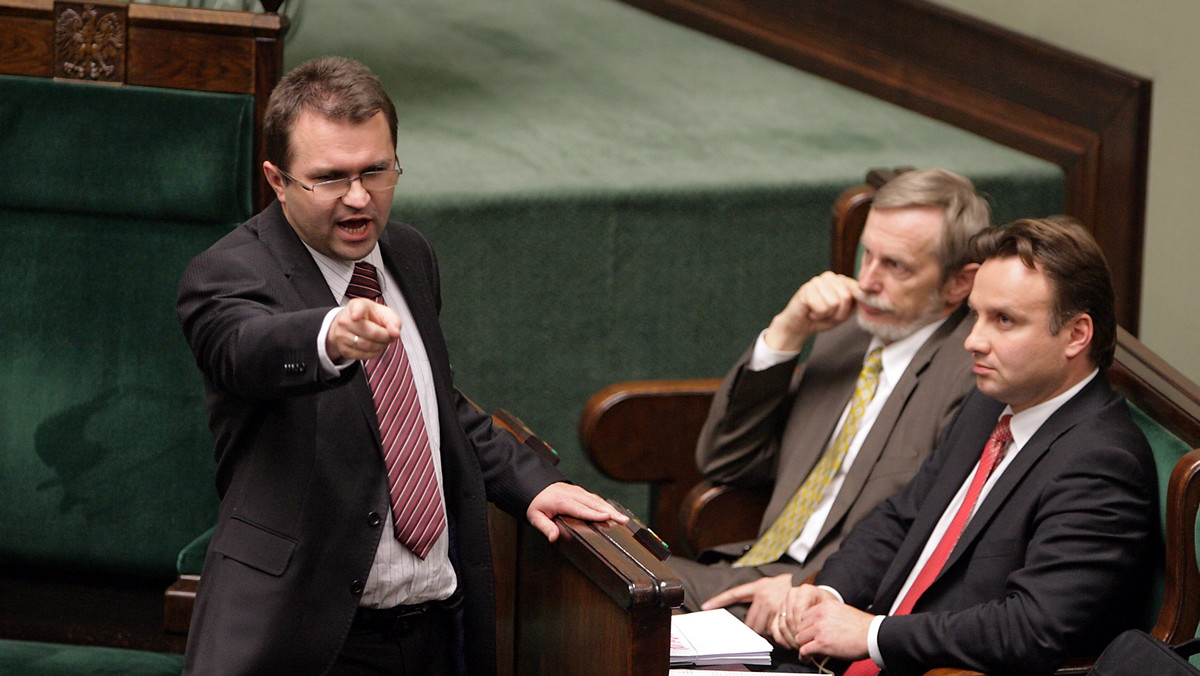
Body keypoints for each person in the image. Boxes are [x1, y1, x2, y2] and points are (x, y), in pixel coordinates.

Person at [176, 55, 626, 675]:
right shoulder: (228, 272)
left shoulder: (409, 255)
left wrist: (532, 484)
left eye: (376, 171)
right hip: (305, 637)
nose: (359, 198)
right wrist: (331, 333)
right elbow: (243, 349)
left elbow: (428, 408)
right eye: (331, 178)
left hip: (435, 633)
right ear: (277, 180)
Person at [776, 217, 1159, 675]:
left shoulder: (1102, 462)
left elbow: (1031, 627)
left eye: (1004, 320)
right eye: (976, 315)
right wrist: (830, 595)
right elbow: (902, 518)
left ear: (1077, 335)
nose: (974, 341)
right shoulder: (989, 404)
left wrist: (871, 634)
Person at [671, 169, 990, 636]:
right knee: (598, 574)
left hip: (827, 604)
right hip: (747, 569)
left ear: (960, 283)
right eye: (867, 255)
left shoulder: (971, 375)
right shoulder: (844, 331)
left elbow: (929, 539)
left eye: (896, 266)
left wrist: (810, 588)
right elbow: (728, 463)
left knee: (629, 620)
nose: (867, 280)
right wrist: (786, 334)